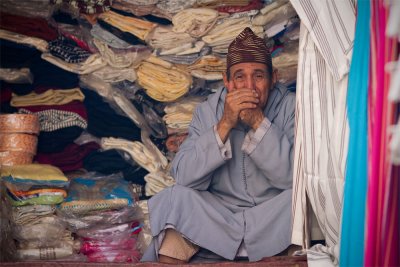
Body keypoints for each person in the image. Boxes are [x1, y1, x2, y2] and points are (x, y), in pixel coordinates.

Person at [141, 27, 296, 263]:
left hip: (272, 215)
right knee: (175, 197)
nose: (249, 87)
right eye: (239, 77)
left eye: (259, 76)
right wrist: (224, 124)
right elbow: (185, 176)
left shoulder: (291, 107)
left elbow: (291, 177)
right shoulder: (207, 110)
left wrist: (258, 123)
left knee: (304, 199)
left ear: (273, 78)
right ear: (226, 81)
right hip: (219, 216)